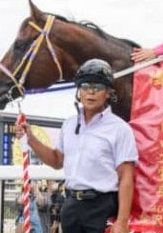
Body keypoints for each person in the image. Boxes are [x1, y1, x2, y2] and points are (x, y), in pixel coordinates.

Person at [15, 59, 138, 233]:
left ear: (108, 93)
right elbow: (56, 160)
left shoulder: (120, 129)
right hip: (71, 206)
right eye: (85, 86)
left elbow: (126, 177)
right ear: (79, 91)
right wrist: (30, 138)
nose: (91, 92)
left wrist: (122, 222)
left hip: (102, 206)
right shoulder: (69, 125)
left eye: (98, 86)